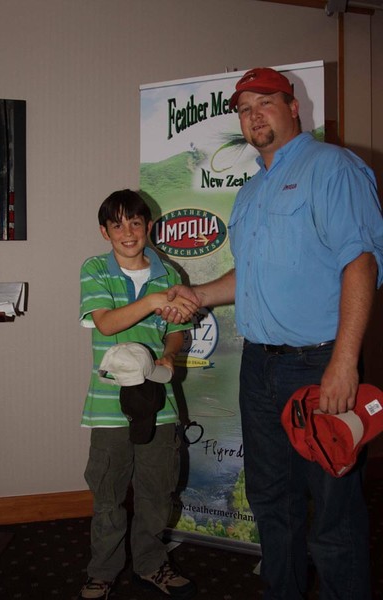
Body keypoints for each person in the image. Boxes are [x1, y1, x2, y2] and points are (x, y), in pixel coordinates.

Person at [159, 68, 383, 599]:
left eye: (265, 102)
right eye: (244, 108)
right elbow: (250, 275)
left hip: (319, 365)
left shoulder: (333, 168)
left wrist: (344, 363)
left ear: (293, 107)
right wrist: (197, 296)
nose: (254, 115)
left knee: (332, 510)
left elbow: (361, 262)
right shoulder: (252, 191)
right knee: (269, 500)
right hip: (259, 368)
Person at [78, 189, 197, 600]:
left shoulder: (170, 274)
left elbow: (178, 332)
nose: (127, 232)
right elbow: (107, 324)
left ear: (149, 227)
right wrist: (151, 301)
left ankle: (151, 565)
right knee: (109, 494)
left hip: (158, 404)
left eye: (135, 223)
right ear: (104, 232)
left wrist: (167, 355)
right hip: (109, 406)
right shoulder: (94, 268)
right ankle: (102, 571)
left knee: (156, 491)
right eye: (117, 225)